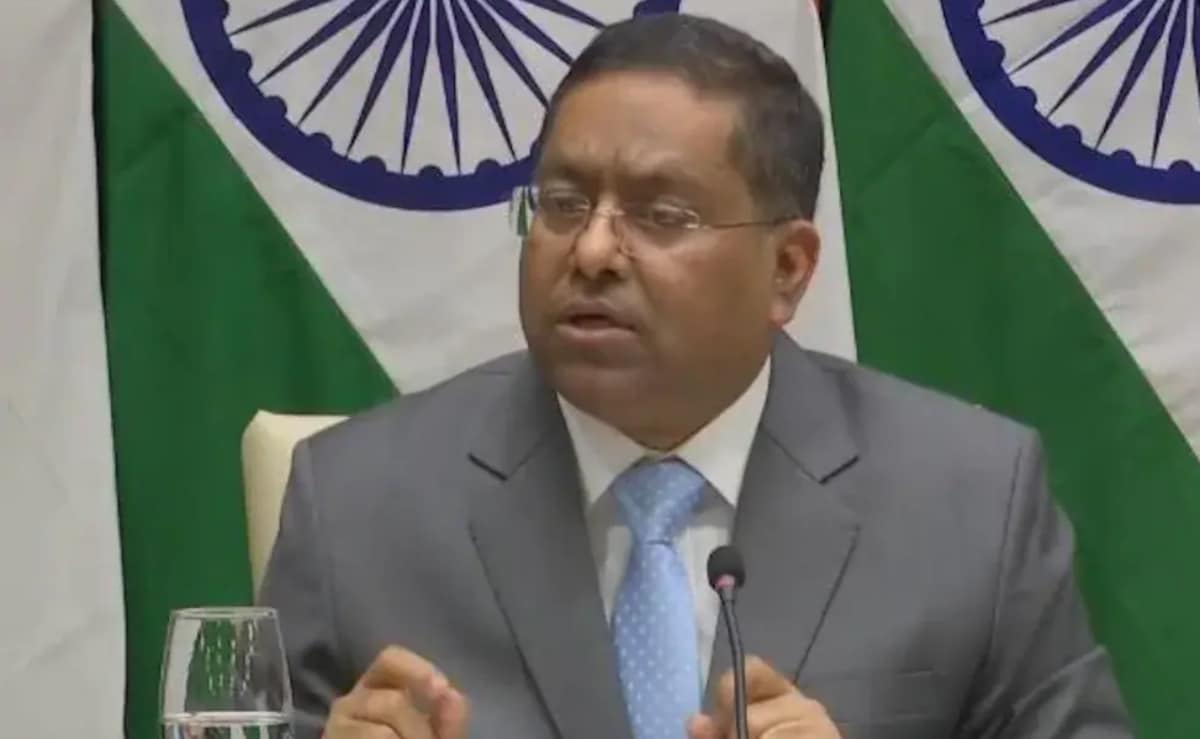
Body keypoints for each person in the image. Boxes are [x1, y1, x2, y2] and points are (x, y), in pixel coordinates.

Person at [261, 13, 1131, 739]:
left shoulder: (970, 501)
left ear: (788, 269)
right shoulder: (356, 507)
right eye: (563, 203)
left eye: (661, 214)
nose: (592, 250)